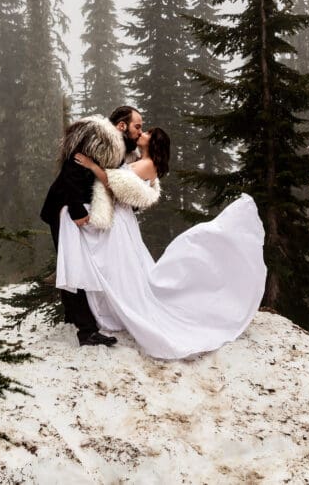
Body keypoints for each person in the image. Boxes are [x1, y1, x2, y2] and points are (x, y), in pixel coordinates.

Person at [66, 127, 267, 360]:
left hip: (120, 219)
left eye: (148, 132)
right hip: (120, 217)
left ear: (154, 142)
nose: (143, 133)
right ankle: (108, 311)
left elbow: (114, 183)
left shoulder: (147, 164)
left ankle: (118, 311)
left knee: (120, 268)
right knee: (122, 267)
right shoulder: (139, 160)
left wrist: (92, 166)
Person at [39, 106, 143, 346]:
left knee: (77, 262)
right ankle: (85, 331)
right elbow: (70, 171)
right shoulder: (99, 139)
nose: (140, 131)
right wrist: (76, 209)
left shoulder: (122, 148)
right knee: (73, 265)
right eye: (137, 126)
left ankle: (75, 320)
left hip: (79, 208)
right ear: (121, 126)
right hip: (64, 208)